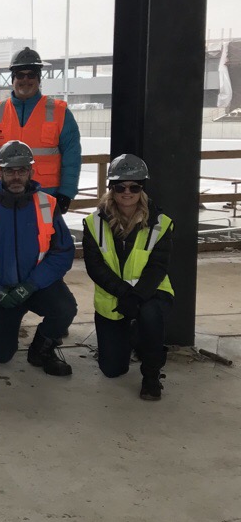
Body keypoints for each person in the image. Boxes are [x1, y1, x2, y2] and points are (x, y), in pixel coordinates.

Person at [0, 140, 77, 376]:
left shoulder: (48, 205)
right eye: (10, 171)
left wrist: (32, 284)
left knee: (65, 308)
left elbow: (63, 252)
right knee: (1, 356)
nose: (16, 176)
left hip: (35, 286)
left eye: (22, 170)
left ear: (31, 171)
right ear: (0, 171)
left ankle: (42, 349)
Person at [83, 154, 173, 400]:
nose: (127, 192)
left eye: (134, 186)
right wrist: (124, 294)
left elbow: (157, 267)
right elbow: (95, 267)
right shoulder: (94, 223)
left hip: (150, 294)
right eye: (120, 186)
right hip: (113, 299)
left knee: (150, 314)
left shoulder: (160, 224)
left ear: (142, 189)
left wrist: (137, 296)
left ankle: (151, 375)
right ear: (111, 188)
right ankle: (133, 337)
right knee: (113, 370)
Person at [0, 47, 81, 214]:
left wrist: (66, 193)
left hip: (46, 197)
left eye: (31, 75)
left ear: (39, 78)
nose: (25, 79)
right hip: (3, 198)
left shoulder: (60, 112)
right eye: (20, 75)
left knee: (44, 239)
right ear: (13, 78)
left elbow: (72, 156)